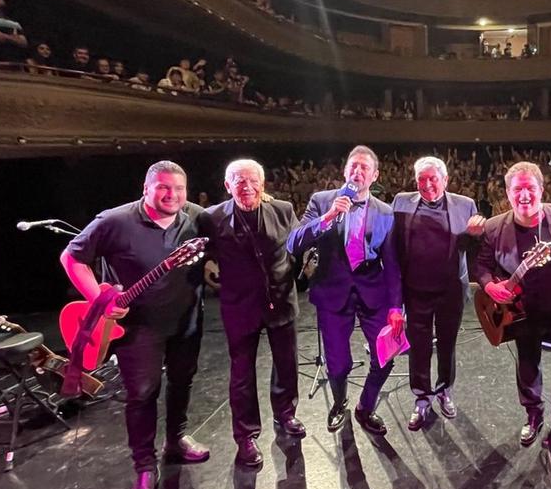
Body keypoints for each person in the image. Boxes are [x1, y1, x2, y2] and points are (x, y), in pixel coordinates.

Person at [59, 161, 209, 489]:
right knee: (142, 394)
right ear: (146, 188)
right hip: (136, 327)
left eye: (179, 189)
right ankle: (144, 467)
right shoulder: (115, 221)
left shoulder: (195, 218)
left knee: (183, 381)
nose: (172, 195)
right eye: (163, 188)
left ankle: (175, 440)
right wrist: (98, 297)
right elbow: (72, 257)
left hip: (185, 320)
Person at [474, 161, 551, 456]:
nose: (524, 195)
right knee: (527, 364)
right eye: (518, 189)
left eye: (530, 188)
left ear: (542, 189)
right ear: (507, 193)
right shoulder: (493, 226)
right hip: (523, 312)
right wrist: (489, 286)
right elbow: (482, 266)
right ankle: (533, 413)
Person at [287, 146, 404, 436]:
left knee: (386, 356)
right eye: (354, 166)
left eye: (365, 167)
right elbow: (294, 243)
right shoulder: (322, 200)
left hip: (373, 292)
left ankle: (366, 406)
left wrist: (395, 307)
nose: (358, 171)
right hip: (332, 291)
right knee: (338, 362)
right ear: (345, 170)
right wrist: (326, 217)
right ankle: (340, 403)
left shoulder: (386, 212)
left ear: (375, 175)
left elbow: (392, 264)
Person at [197, 160, 304, 470]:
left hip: (281, 302)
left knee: (286, 364)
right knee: (241, 375)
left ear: (263, 183)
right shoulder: (211, 218)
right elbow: (206, 257)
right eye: (238, 181)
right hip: (240, 307)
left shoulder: (282, 209)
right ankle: (245, 436)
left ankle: (286, 414)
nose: (246, 186)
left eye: (252, 180)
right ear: (227, 186)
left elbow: (296, 244)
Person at [392, 157, 485, 430]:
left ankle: (445, 389)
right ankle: (421, 397)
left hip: (450, 290)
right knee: (418, 347)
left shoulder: (465, 205)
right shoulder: (400, 202)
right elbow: (394, 248)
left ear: (445, 180)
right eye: (422, 179)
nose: (427, 184)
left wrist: (476, 235)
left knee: (447, 344)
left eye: (433, 179)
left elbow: (473, 250)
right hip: (414, 290)